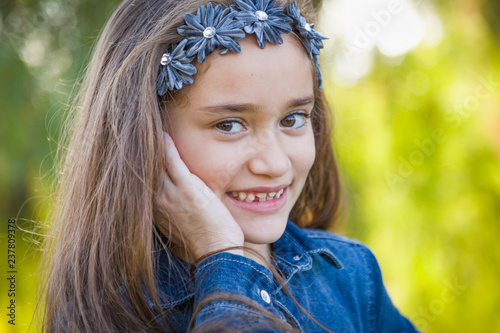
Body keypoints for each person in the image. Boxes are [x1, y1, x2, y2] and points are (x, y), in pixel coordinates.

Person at [39, 0, 420, 332]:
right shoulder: (101, 312)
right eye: (229, 125)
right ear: (144, 136)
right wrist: (223, 259)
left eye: (293, 119)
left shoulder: (350, 276)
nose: (273, 163)